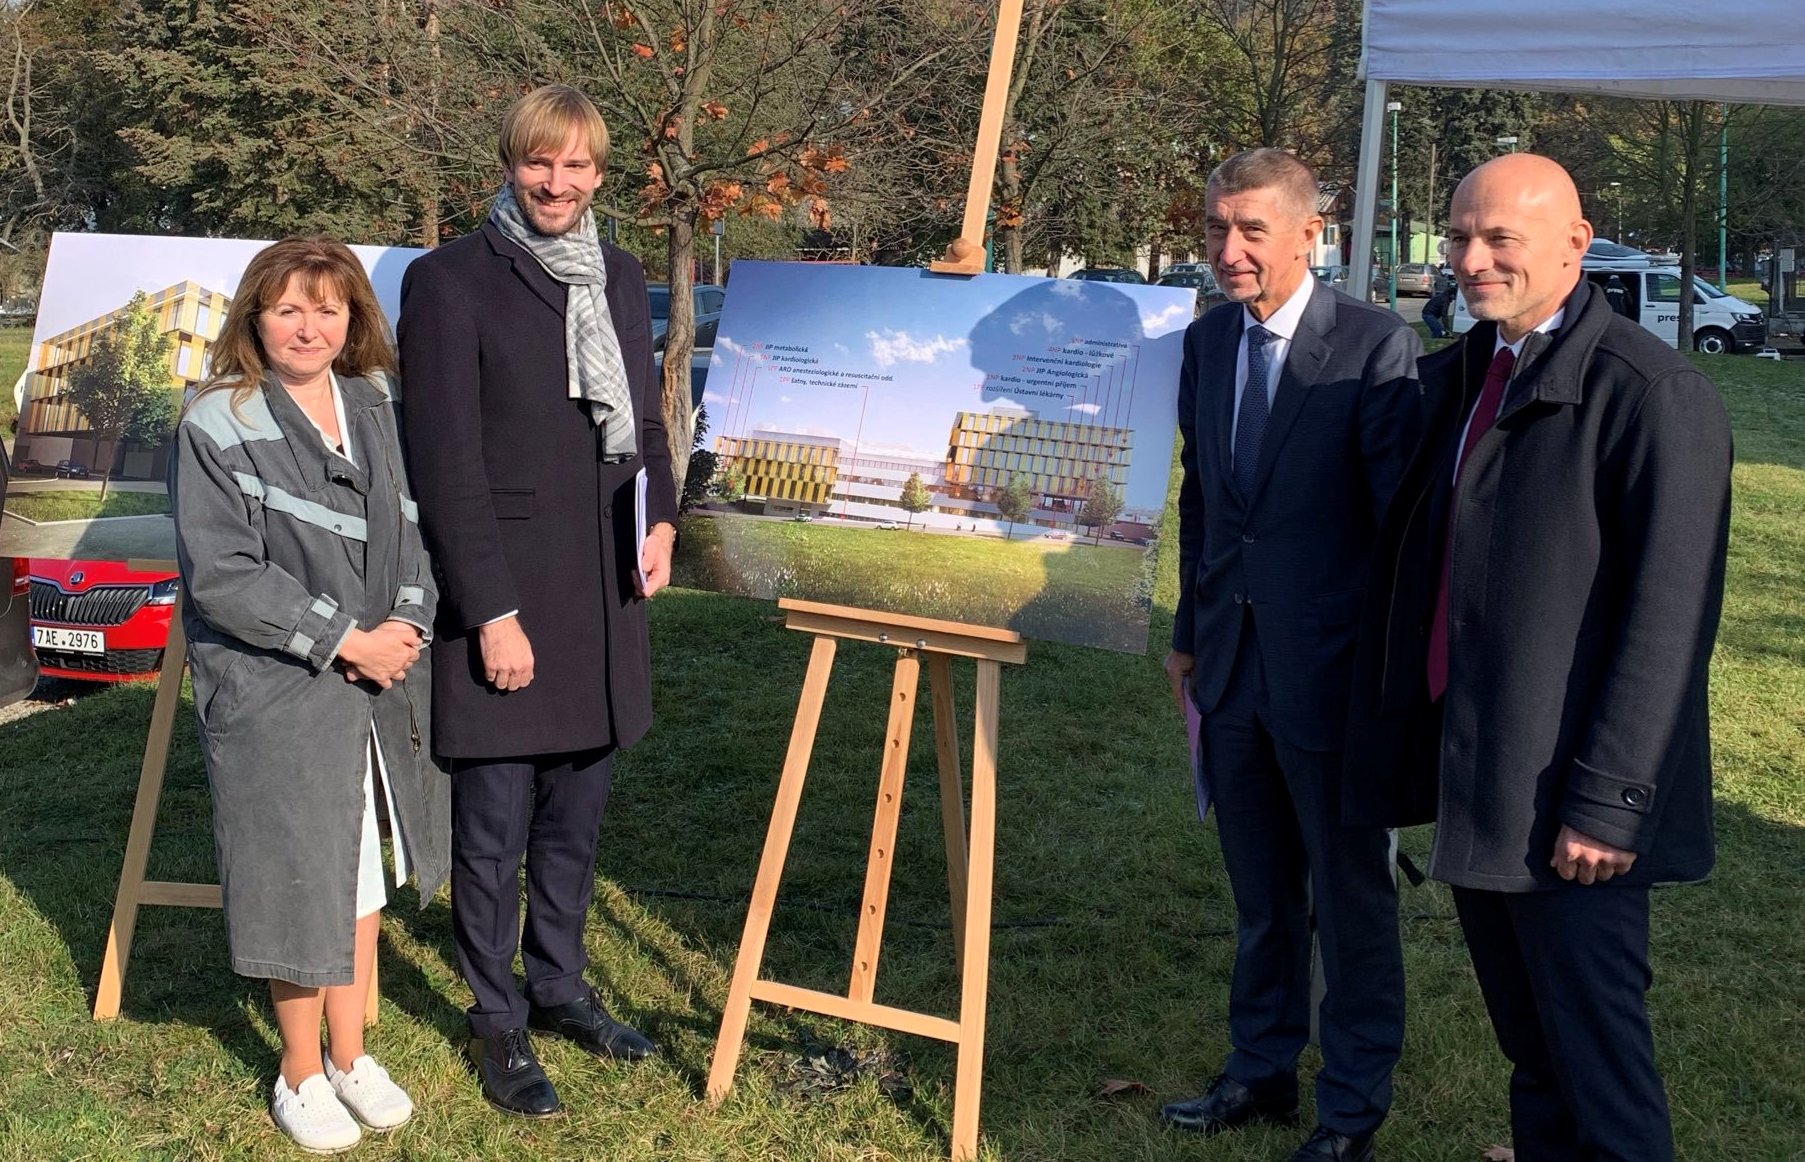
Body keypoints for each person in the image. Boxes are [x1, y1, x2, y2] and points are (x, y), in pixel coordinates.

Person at [1343, 154, 1731, 1162]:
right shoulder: (1458, 376)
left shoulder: (1651, 395)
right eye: (1457, 237)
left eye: (1497, 239)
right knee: (1534, 1052)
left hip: (1570, 798)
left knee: (1598, 1065)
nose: (1470, 259)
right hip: (1479, 774)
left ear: (1574, 243)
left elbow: (1666, 622)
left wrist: (1607, 804)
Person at [397, 84, 678, 1119]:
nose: (556, 184)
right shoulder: (448, 280)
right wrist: (491, 612)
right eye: (538, 163)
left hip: (603, 588)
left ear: (599, 173)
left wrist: (662, 518)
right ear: (509, 164)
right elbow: (445, 462)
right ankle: (494, 1016)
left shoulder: (619, 273)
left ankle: (558, 984)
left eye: (576, 166)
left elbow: (646, 419)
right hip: (510, 590)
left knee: (574, 814)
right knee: (493, 826)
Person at [1160, 147, 1421, 1162]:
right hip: (1230, 670)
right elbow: (1203, 501)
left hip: (1332, 680)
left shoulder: (1373, 345)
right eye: (1215, 227)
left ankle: (1349, 1110)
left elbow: (1399, 534)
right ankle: (1259, 1070)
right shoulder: (1204, 342)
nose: (1227, 249)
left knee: (1349, 903)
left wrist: (1380, 679)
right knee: (1262, 894)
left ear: (1310, 234)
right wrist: (1188, 636)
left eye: (1250, 230)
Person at [172, 237, 448, 1153]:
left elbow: (415, 528)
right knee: (296, 873)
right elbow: (223, 575)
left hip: (377, 679)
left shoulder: (376, 402)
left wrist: (406, 623)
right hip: (276, 687)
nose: (308, 327)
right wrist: (347, 640)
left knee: (355, 869)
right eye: (288, 308)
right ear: (254, 317)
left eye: (327, 309)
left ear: (352, 317)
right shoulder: (217, 419)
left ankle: (349, 1054)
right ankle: (298, 1072)